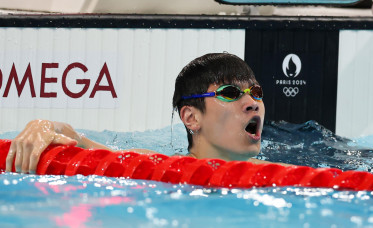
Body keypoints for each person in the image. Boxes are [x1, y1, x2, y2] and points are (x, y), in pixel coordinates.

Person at [5, 53, 278, 174]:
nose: (252, 103)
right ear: (190, 117)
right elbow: (77, 140)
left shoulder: (279, 175)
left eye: (256, 93)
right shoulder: (153, 166)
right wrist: (42, 126)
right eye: (230, 93)